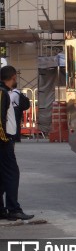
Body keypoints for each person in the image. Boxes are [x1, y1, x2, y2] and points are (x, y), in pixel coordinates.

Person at [0, 65, 34, 220]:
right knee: (12, 174)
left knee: (2, 174)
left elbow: (25, 105)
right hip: (4, 141)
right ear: (13, 77)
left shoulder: (8, 93)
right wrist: (5, 139)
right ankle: (13, 208)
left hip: (5, 139)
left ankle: (2, 209)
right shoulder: (3, 93)